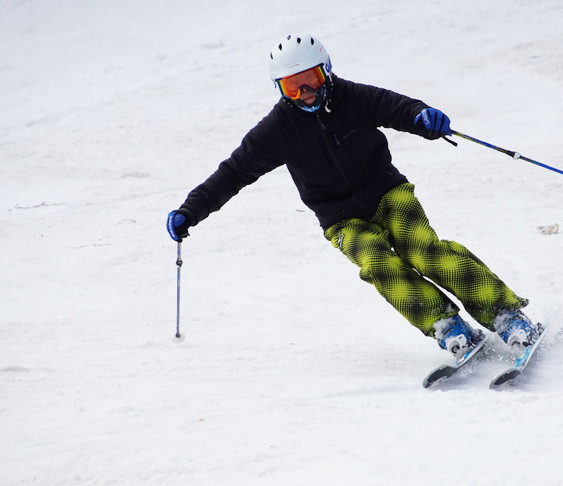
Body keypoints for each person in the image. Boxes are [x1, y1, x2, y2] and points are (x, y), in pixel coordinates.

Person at [166, 34, 540, 362]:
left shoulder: (353, 97)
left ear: (326, 71)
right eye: (292, 87)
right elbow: (233, 172)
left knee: (424, 250)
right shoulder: (277, 130)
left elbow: (397, 107)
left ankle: (506, 315)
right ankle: (447, 325)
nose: (305, 94)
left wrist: (422, 116)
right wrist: (190, 211)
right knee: (378, 264)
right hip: (341, 219)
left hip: (388, 194)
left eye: (310, 80)